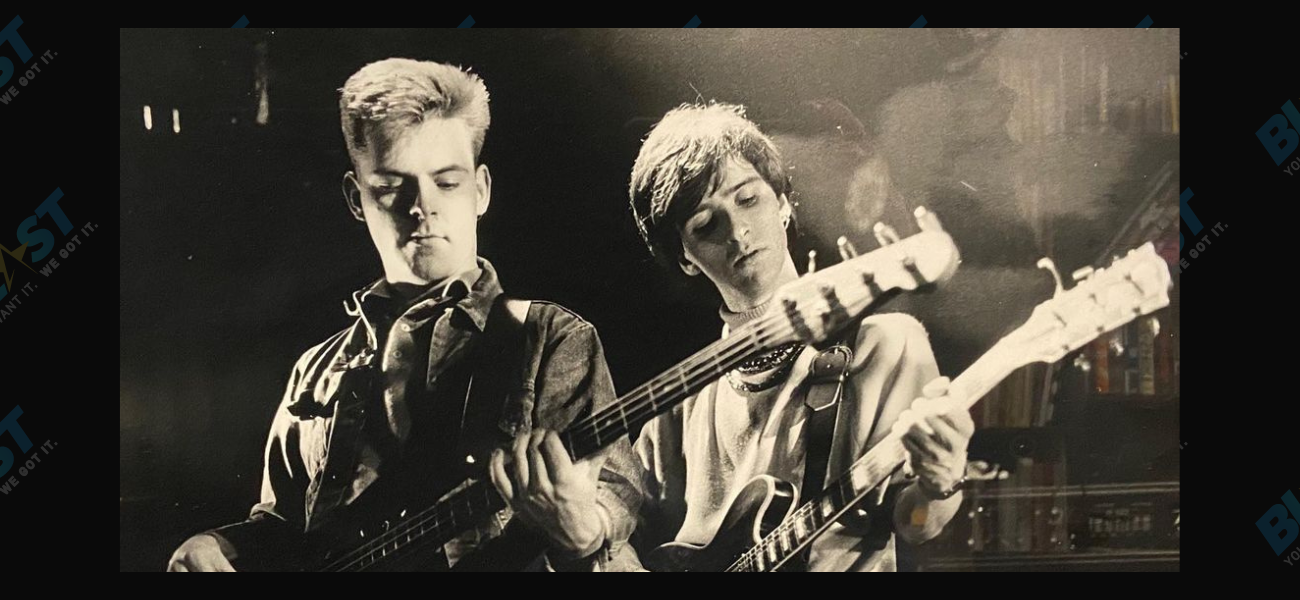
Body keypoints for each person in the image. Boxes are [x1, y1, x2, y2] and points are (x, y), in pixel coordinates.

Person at [167, 58, 640, 572]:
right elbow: (285, 530)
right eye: (393, 186)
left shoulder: (549, 339)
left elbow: (613, 496)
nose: (422, 207)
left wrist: (585, 532)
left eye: (447, 182)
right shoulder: (315, 371)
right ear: (356, 197)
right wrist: (217, 546)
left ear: (480, 190)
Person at [626, 102, 974, 571]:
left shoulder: (886, 345)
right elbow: (614, 549)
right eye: (705, 224)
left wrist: (940, 482)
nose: (737, 231)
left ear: (784, 204)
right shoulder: (673, 414)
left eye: (747, 199)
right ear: (685, 257)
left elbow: (914, 521)